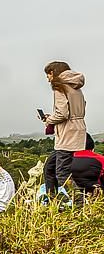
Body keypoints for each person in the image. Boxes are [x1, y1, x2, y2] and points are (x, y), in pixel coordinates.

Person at [40, 61, 87, 196]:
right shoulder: (76, 87)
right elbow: (79, 108)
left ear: (53, 73)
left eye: (48, 75)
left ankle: (79, 201)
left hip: (67, 135)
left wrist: (49, 119)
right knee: (49, 167)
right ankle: (52, 199)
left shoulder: (59, 87)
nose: (48, 78)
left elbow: (63, 113)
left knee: (62, 173)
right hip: (78, 131)